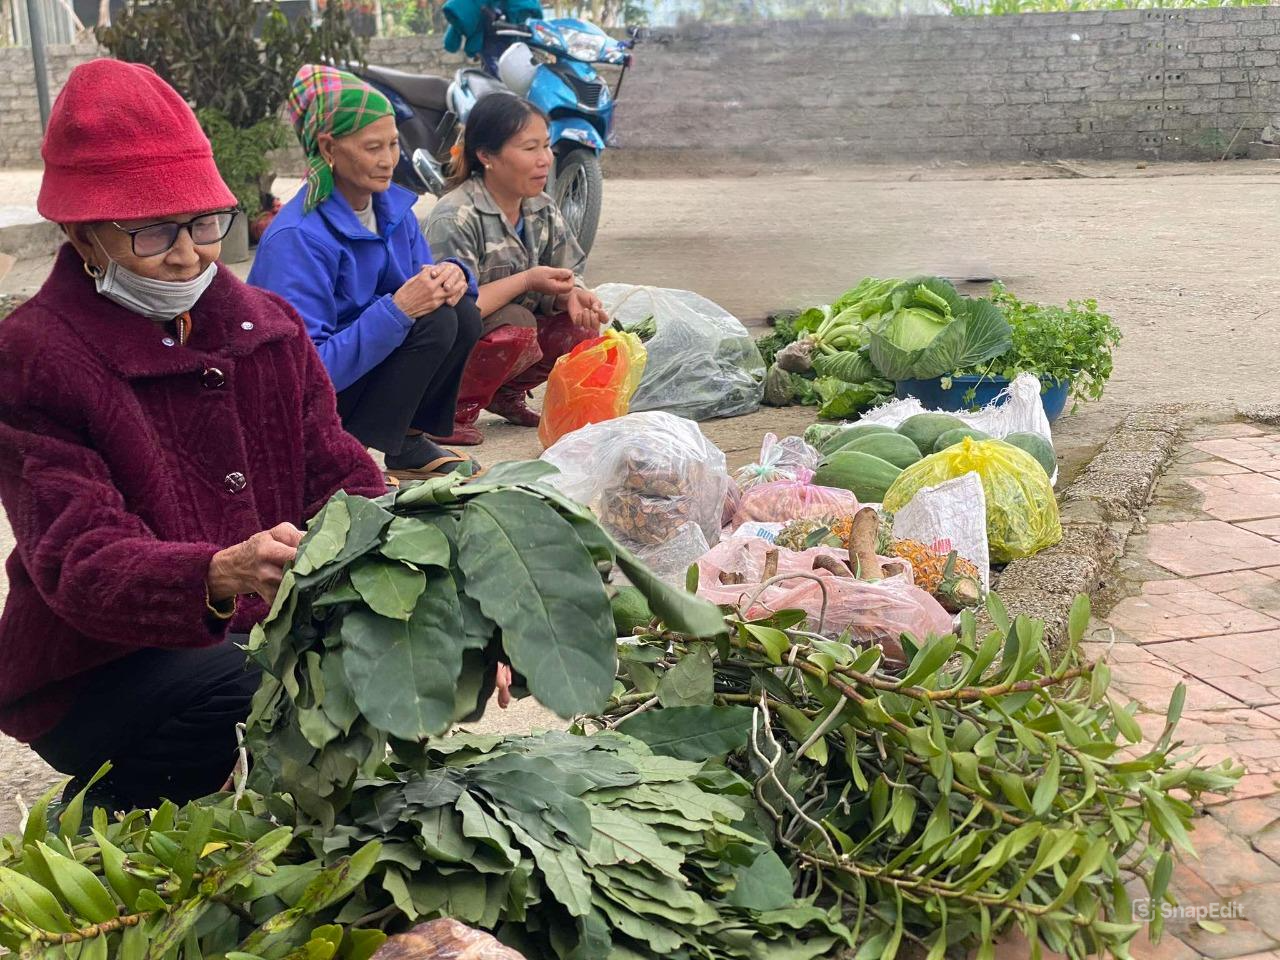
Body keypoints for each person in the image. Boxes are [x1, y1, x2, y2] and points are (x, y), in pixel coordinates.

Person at [0, 59, 388, 811]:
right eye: (150, 232)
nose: (187, 254)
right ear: (81, 233)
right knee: (256, 689)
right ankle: (109, 814)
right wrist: (214, 572)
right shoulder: (34, 356)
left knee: (360, 667)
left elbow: (342, 475)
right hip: (96, 664)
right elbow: (81, 559)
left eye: (205, 223)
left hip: (244, 634)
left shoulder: (269, 328)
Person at [249, 65, 482, 480]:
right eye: (373, 147)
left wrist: (452, 275)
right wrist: (397, 310)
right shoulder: (298, 238)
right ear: (328, 149)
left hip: (355, 374)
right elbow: (303, 372)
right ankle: (334, 458)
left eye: (393, 144)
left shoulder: (393, 209)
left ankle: (406, 443)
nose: (388, 160)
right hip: (298, 405)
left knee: (457, 312)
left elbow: (422, 286)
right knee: (429, 320)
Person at [425, 93, 609, 445]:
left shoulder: (542, 208)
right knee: (516, 323)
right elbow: (454, 310)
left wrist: (573, 295)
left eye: (547, 146)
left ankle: (503, 395)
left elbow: (569, 269)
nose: (545, 160)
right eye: (530, 149)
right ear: (486, 156)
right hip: (449, 349)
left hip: (503, 334)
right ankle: (447, 411)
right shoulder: (456, 216)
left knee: (581, 328)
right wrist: (527, 279)